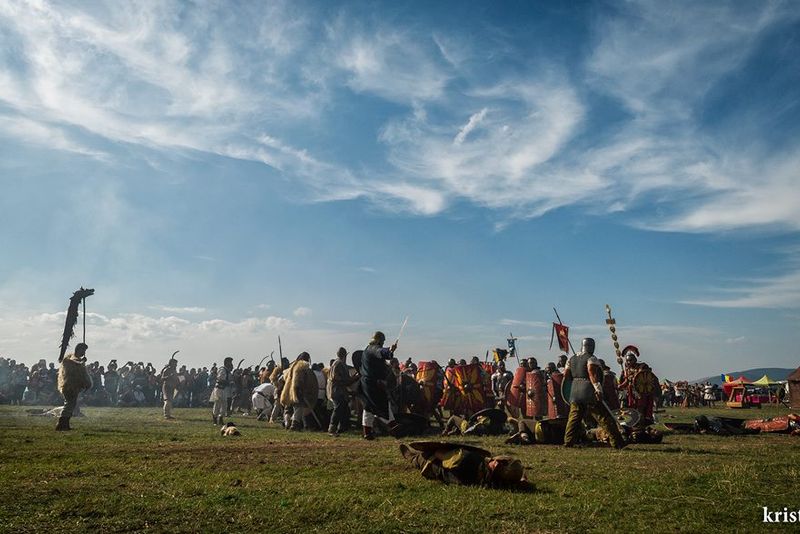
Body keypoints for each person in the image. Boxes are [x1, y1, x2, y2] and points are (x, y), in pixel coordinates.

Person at [563, 338, 625, 449]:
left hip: (575, 392)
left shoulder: (571, 359)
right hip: (589, 391)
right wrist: (598, 389)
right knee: (604, 418)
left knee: (573, 419)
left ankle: (568, 442)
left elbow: (566, 376)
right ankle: (617, 443)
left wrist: (576, 383)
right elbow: (592, 374)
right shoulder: (591, 358)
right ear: (591, 346)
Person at [399, 442, 526, 488]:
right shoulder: (496, 482)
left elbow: (438, 453)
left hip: (433, 464)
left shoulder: (467, 458)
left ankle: (412, 457)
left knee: (421, 456)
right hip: (453, 469)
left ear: (497, 464)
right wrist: (519, 476)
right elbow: (519, 478)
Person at [360, 331, 398, 440]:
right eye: (382, 341)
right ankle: (394, 427)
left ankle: (367, 433)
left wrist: (390, 351)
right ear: (379, 341)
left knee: (369, 408)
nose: (382, 343)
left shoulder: (367, 350)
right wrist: (389, 350)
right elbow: (380, 351)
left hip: (367, 383)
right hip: (373, 383)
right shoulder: (372, 348)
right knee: (382, 404)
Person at [56, 343, 92, 431]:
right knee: (69, 404)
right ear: (78, 349)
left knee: (71, 405)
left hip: (75, 387)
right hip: (69, 386)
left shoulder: (79, 361)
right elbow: (73, 362)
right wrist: (81, 362)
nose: (84, 353)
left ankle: (65, 424)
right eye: (83, 350)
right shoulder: (69, 359)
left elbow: (82, 373)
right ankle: (61, 424)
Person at [279, 352, 317, 431]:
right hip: (297, 389)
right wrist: (301, 389)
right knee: (298, 407)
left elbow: (282, 379)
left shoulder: (291, 367)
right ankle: (294, 425)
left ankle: (287, 423)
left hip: (288, 390)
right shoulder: (303, 366)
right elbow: (302, 379)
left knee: (288, 409)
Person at [327, 347, 359, 436]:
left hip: (340, 390)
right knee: (338, 409)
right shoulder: (338, 364)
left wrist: (354, 378)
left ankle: (342, 428)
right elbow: (337, 379)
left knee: (345, 410)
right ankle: (332, 429)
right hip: (337, 391)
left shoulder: (339, 364)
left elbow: (346, 379)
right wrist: (354, 378)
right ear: (345, 355)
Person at [211, 357, 233, 425]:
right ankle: (215, 419)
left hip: (224, 389)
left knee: (224, 404)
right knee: (217, 404)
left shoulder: (227, 371)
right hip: (219, 389)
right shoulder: (222, 370)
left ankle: (221, 418)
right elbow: (220, 379)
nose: (231, 364)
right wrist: (228, 382)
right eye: (230, 362)